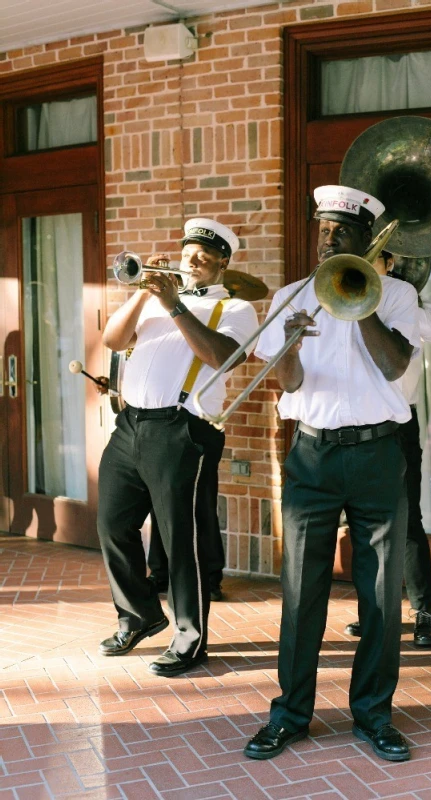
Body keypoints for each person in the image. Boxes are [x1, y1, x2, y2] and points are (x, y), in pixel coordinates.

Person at [244, 185, 420, 764]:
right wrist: (290, 345)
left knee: (378, 594)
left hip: (377, 455)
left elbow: (396, 366)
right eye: (322, 229)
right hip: (313, 455)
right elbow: (290, 383)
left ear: (368, 239)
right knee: (301, 591)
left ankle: (373, 716)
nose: (328, 238)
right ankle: (290, 715)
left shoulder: (395, 295)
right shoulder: (292, 295)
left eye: (340, 232)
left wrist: (359, 303)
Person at [97, 218, 258, 677]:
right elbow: (112, 339)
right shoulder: (153, 301)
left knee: (179, 539)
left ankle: (191, 637)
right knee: (112, 524)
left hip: (183, 428)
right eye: (189, 255)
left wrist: (173, 306)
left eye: (204, 258)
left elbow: (221, 356)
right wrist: (145, 294)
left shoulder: (236, 308)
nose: (193, 262)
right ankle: (140, 615)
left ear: (223, 262)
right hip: (131, 426)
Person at [344, 250, 431, 648]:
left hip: (399, 423)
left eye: (383, 260)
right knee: (363, 521)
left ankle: (422, 612)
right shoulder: (347, 292)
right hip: (356, 421)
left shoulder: (411, 301)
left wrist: (403, 289)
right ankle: (372, 611)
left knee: (407, 519)